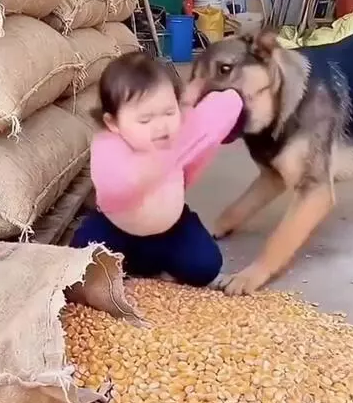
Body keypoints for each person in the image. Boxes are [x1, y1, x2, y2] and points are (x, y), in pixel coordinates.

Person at [71, 52, 243, 288]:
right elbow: (113, 186)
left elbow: (227, 106)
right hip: (116, 229)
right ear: (113, 123)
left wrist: (192, 101)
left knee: (207, 266)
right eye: (145, 120)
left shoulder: (179, 134)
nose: (161, 126)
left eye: (169, 112)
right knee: (80, 262)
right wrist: (150, 170)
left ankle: (142, 265)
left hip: (171, 229)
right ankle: (127, 264)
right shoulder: (108, 144)